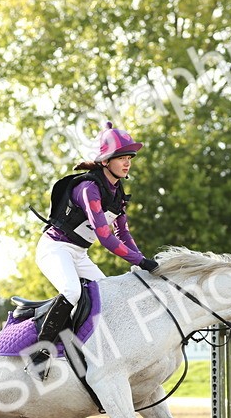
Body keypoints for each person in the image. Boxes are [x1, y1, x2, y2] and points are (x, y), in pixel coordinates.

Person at [29, 122, 158, 379]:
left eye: (129, 157)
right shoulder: (88, 189)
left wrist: (142, 260)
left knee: (108, 298)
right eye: (121, 157)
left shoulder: (118, 194)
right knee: (72, 290)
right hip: (55, 248)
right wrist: (140, 262)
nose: (127, 163)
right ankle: (39, 354)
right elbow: (105, 237)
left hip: (79, 253)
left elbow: (123, 233)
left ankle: (90, 351)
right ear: (106, 161)